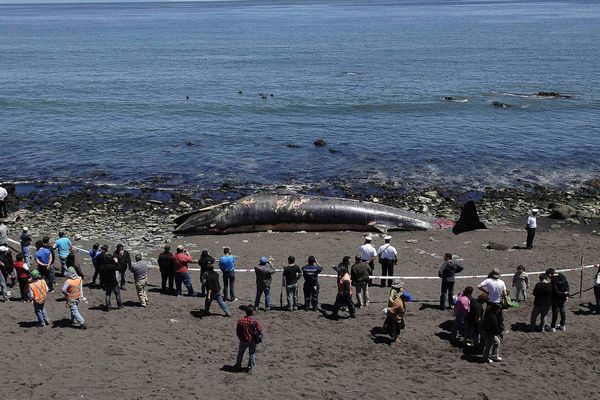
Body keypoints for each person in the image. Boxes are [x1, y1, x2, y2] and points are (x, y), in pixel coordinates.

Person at [235, 304, 263, 373]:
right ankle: (250, 367)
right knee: (252, 354)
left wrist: (239, 337)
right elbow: (260, 329)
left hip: (243, 340)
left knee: (240, 353)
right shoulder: (254, 321)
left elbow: (238, 331)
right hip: (252, 340)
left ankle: (238, 365)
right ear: (252, 312)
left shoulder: (240, 320)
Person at [99, 245, 122, 310]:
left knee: (107, 294)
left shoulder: (102, 267)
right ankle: (119, 305)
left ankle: (108, 307)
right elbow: (120, 268)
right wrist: (116, 262)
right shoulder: (112, 267)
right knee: (117, 294)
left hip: (106, 283)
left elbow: (101, 277)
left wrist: (101, 284)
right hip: (113, 282)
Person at [547, 268, 569, 332]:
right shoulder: (562, 276)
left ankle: (553, 327)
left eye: (549, 276)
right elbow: (567, 286)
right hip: (563, 297)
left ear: (550, 274)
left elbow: (556, 291)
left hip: (555, 298)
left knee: (555, 312)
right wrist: (566, 294)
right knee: (562, 311)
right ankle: (562, 325)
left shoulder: (553, 280)